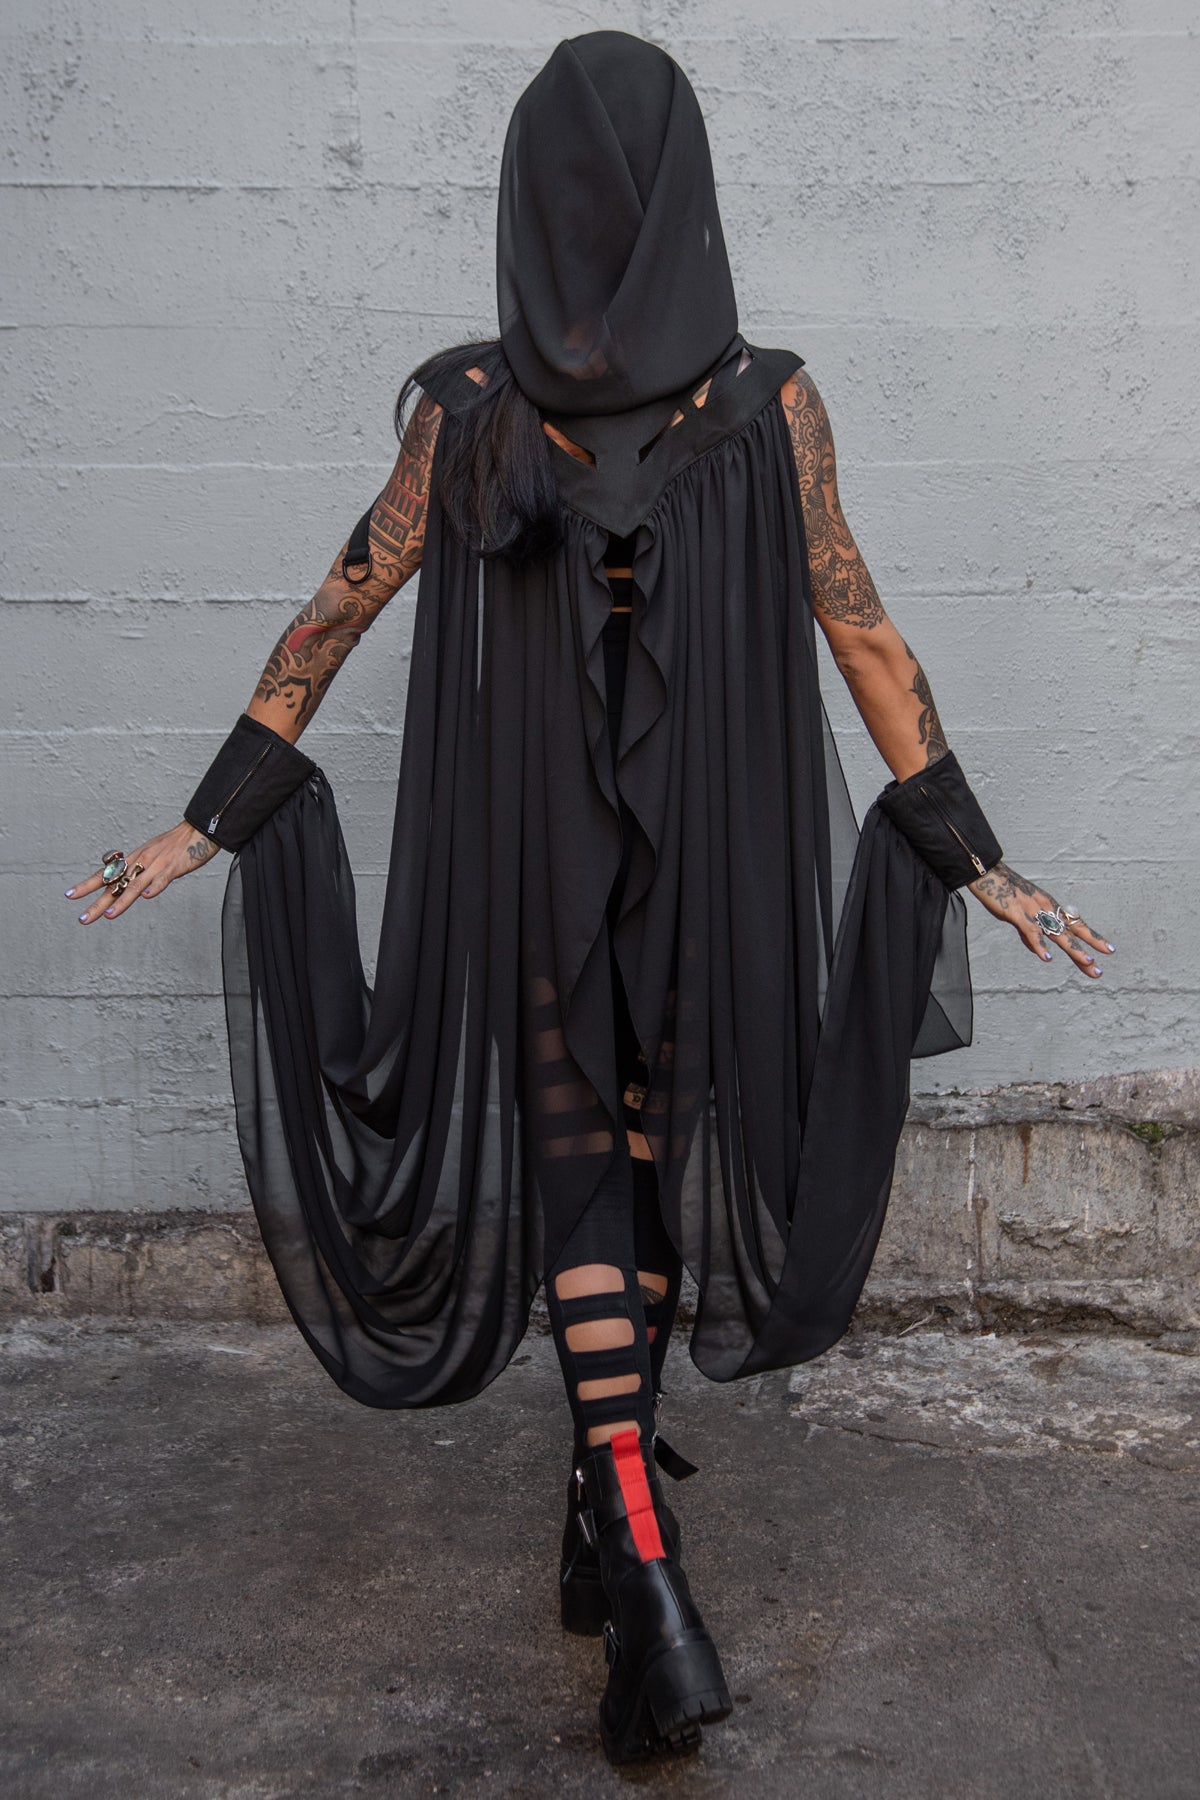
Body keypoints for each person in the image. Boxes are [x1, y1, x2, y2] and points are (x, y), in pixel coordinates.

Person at [66, 29, 1114, 1767]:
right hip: (714, 871)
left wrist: (211, 818)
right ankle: (634, 1542)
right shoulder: (768, 405)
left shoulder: (470, 411)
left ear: (532, 201)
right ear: (686, 197)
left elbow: (335, 610)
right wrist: (972, 855)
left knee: (578, 1177)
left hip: (532, 871)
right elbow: (864, 634)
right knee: (643, 1158)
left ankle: (627, 1536)